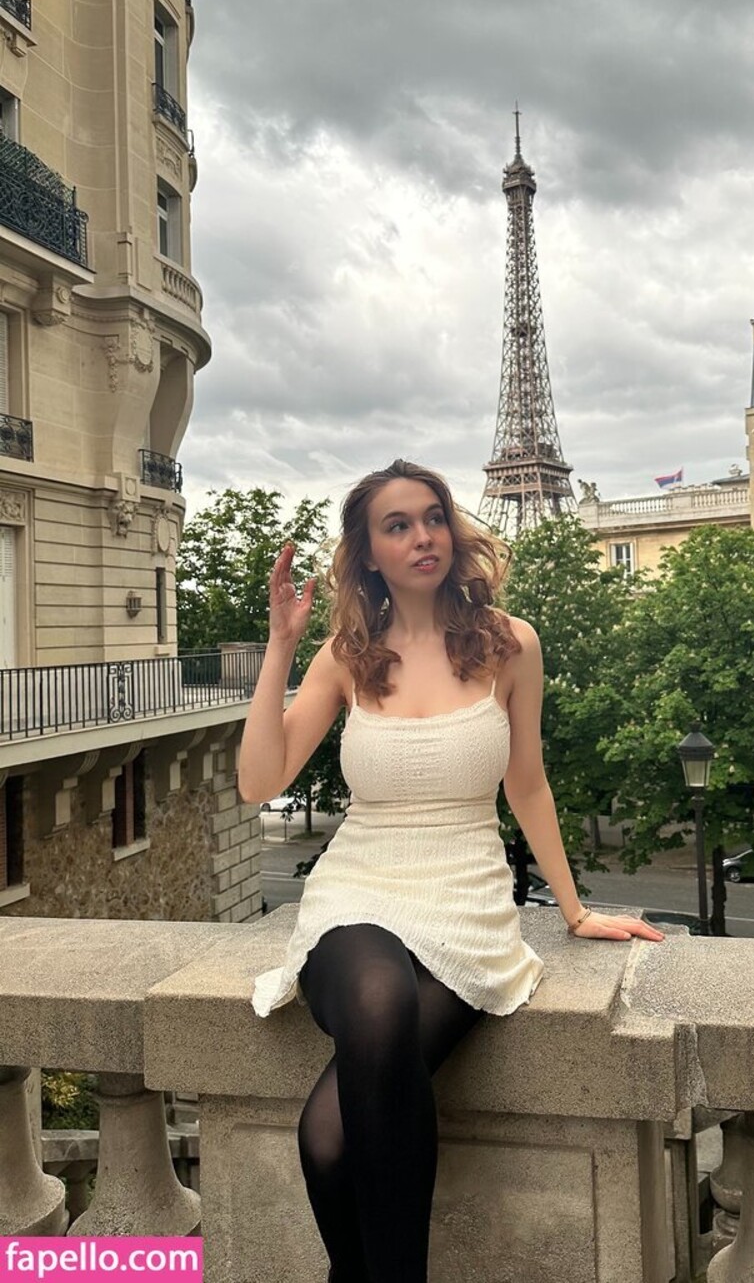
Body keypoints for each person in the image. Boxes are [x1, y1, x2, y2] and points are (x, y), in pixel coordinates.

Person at [238, 457, 664, 1283]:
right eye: (397, 526)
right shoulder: (345, 656)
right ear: (368, 553)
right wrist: (280, 647)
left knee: (327, 1139)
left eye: (433, 516)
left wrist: (574, 911)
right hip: (357, 891)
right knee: (377, 995)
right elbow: (260, 782)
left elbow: (527, 783)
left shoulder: (510, 645)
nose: (423, 536)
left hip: (466, 902)